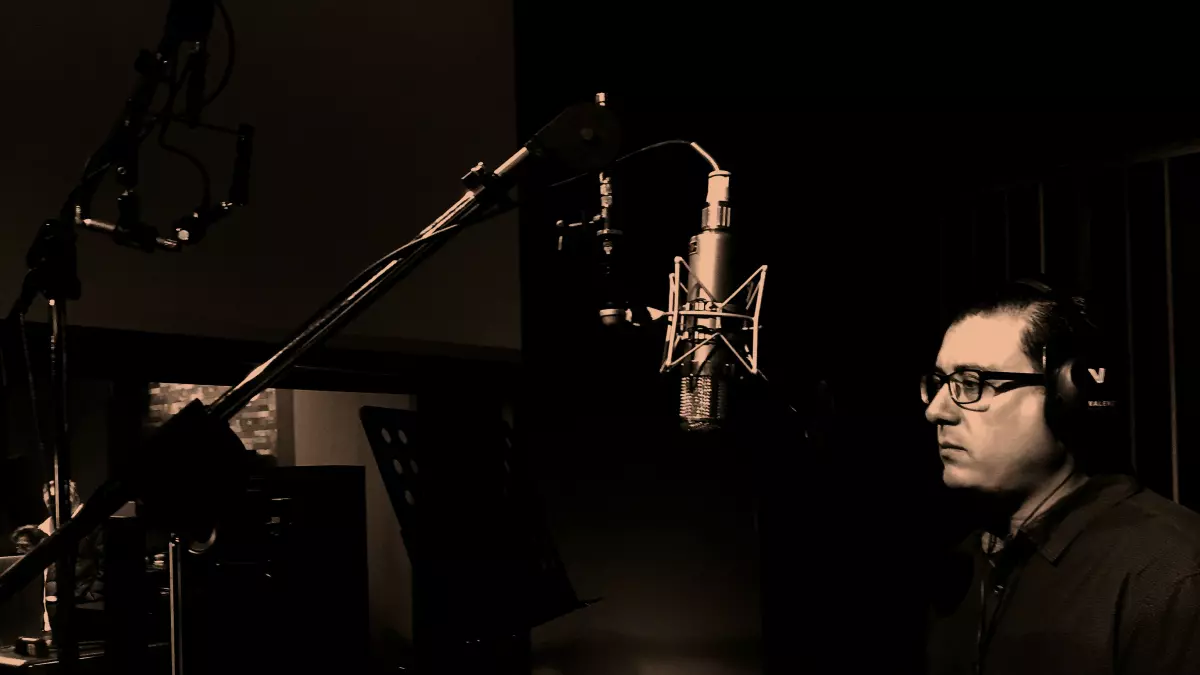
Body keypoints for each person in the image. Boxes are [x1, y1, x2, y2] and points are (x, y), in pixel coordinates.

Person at [922, 277, 1200, 675]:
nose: (936, 410)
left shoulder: (1171, 575)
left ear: (1069, 395)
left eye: (972, 384)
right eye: (937, 384)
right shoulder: (961, 569)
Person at [38, 480, 105, 642]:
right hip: (55, 608)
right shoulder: (45, 529)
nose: (51, 505)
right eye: (48, 501)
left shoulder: (93, 525)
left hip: (84, 608)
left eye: (54, 500)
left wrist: (93, 594)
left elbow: (107, 563)